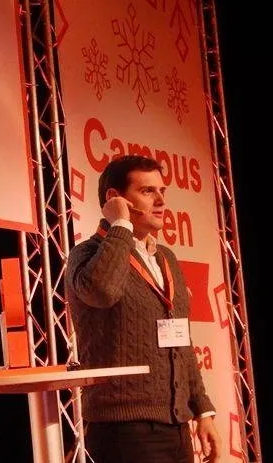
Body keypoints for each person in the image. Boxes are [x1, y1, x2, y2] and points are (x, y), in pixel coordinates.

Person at [65, 155, 222, 463]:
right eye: (148, 191)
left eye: (162, 191)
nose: (161, 201)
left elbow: (181, 342)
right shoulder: (86, 254)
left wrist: (203, 410)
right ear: (115, 198)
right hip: (124, 431)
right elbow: (102, 291)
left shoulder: (165, 257)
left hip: (176, 426)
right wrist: (120, 224)